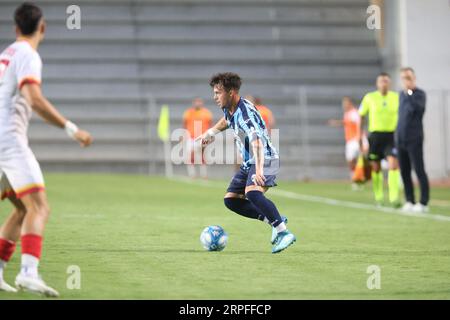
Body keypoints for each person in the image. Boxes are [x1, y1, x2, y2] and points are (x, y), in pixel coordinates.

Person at [0, 2, 92, 296]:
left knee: (21, 208)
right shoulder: (28, 54)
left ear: (16, 28)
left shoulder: (7, 53)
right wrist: (71, 128)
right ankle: (28, 272)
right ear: (42, 28)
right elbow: (34, 98)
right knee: (40, 207)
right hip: (10, 142)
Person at [197, 73, 296, 253]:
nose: (214, 97)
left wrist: (258, 171)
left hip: (265, 158)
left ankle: (283, 232)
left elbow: (257, 142)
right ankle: (274, 220)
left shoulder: (245, 114)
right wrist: (209, 134)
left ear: (232, 92)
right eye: (214, 92)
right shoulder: (230, 107)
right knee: (231, 201)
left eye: (218, 93)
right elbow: (226, 121)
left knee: (252, 193)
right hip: (249, 162)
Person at [359, 73, 401, 207]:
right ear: (377, 84)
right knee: (376, 168)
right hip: (375, 136)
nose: (384, 83)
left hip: (391, 135)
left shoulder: (396, 97)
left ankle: (394, 198)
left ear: (390, 83)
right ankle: (379, 197)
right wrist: (361, 135)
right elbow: (361, 116)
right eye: (382, 81)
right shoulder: (369, 97)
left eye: (386, 81)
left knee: (393, 165)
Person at [397, 67, 430, 213]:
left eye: (408, 78)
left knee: (419, 170)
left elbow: (417, 110)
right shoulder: (401, 95)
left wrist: (410, 92)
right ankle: (409, 200)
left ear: (414, 78)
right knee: (404, 171)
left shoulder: (419, 94)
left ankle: (423, 202)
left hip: (414, 138)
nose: (406, 81)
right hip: (401, 139)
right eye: (404, 78)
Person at [328, 96, 369, 186]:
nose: (344, 105)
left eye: (345, 103)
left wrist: (362, 137)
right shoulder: (347, 114)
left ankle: (362, 178)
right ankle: (356, 178)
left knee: (363, 159)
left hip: (356, 139)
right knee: (351, 161)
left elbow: (360, 123)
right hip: (350, 140)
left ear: (350, 103)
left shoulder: (355, 113)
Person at [182, 97, 213, 179]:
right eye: (196, 102)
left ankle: (204, 174)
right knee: (190, 157)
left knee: (202, 156)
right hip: (191, 137)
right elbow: (185, 125)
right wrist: (184, 135)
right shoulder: (188, 113)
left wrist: (209, 136)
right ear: (194, 103)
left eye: (199, 102)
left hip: (202, 137)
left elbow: (210, 125)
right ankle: (192, 174)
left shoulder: (207, 113)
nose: (198, 104)